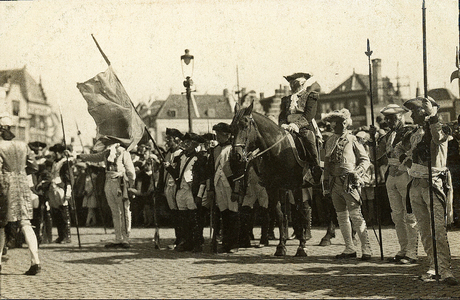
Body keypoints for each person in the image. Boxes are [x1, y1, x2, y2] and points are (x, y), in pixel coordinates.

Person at [396, 97, 458, 285]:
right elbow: (398, 147)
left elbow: (439, 138)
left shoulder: (440, 128)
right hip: (416, 184)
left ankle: (445, 269)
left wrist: (433, 116)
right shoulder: (414, 133)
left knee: (438, 229)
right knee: (424, 230)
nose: (412, 115)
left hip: (434, 185)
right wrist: (407, 163)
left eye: (415, 112)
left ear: (425, 112)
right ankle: (433, 265)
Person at [322, 108, 372, 260]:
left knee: (356, 215)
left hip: (349, 182)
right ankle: (349, 248)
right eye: (334, 123)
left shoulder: (353, 139)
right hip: (334, 182)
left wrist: (357, 173)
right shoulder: (330, 141)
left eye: (339, 123)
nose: (335, 126)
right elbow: (326, 164)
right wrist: (325, 184)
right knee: (341, 217)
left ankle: (366, 248)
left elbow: (365, 160)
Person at [375, 104, 419, 264]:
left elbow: (413, 152)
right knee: (397, 215)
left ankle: (412, 253)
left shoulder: (409, 132)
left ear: (401, 116)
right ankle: (403, 248)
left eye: (393, 118)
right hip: (391, 174)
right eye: (387, 118)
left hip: (405, 174)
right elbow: (378, 154)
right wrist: (374, 139)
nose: (389, 121)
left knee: (409, 214)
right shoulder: (388, 135)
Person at [0, 113, 41, 275]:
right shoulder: (23, 145)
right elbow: (34, 166)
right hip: (22, 184)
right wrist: (21, 173)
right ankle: (35, 262)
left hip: (5, 186)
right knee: (25, 223)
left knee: (1, 225)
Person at [79, 137, 136, 248]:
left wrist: (129, 186)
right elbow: (94, 157)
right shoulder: (107, 153)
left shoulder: (124, 153)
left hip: (120, 183)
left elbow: (131, 172)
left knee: (124, 211)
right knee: (115, 211)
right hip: (108, 182)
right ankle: (118, 238)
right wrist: (80, 156)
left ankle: (126, 238)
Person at [278, 72, 322, 185]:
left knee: (308, 138)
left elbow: (309, 115)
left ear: (302, 83)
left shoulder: (311, 96)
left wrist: (296, 125)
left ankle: (315, 169)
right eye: (291, 83)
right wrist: (283, 124)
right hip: (287, 127)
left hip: (304, 126)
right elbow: (282, 115)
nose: (292, 85)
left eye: (294, 83)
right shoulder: (286, 99)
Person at [211, 122, 239, 253]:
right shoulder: (215, 149)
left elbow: (238, 171)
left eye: (219, 135)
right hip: (218, 184)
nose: (217, 137)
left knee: (233, 214)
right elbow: (211, 170)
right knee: (224, 213)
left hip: (230, 184)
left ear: (227, 135)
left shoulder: (233, 149)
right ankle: (226, 242)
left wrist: (236, 189)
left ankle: (233, 244)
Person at [155, 128, 184, 249]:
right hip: (168, 188)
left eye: (170, 139)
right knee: (174, 214)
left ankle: (182, 238)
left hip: (177, 188)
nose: (168, 142)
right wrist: (159, 188)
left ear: (177, 140)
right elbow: (163, 173)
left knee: (179, 215)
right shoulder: (168, 153)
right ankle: (178, 238)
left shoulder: (181, 154)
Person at [48, 143, 73, 244]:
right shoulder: (54, 162)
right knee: (56, 212)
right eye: (55, 152)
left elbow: (68, 177)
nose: (56, 154)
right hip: (53, 188)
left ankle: (67, 236)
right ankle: (60, 235)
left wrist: (68, 189)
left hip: (61, 188)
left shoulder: (65, 162)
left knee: (64, 213)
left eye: (58, 152)